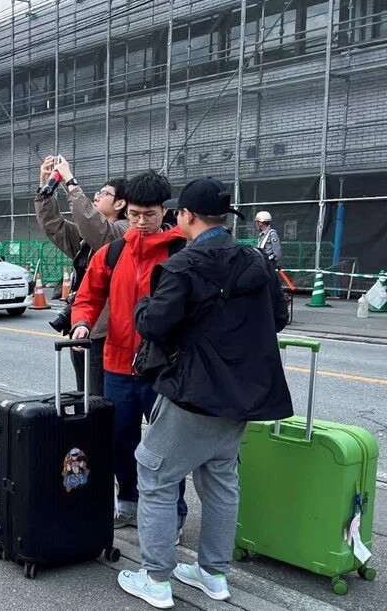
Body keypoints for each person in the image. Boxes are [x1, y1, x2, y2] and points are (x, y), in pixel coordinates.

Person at [117, 177, 292, 608]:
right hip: (242, 397)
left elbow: (154, 324)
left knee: (154, 475)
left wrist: (142, 305)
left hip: (194, 393)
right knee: (220, 481)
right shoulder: (255, 260)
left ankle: (156, 579)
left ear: (186, 216)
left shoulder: (184, 265)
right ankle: (214, 575)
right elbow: (278, 319)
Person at [69, 170, 189, 533]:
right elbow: (89, 296)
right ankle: (129, 502)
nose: (140, 222)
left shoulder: (181, 249)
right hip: (118, 363)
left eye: (148, 215)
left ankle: (174, 511)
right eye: (133, 214)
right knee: (121, 438)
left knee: (167, 446)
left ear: (164, 211)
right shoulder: (113, 251)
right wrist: (82, 322)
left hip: (165, 366)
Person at [34, 155, 128, 395]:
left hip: (106, 332)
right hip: (83, 326)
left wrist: (72, 183)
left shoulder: (124, 232)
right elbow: (54, 225)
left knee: (99, 399)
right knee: (84, 395)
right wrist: (46, 188)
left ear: (120, 204)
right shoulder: (87, 239)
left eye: (104, 193)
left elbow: (99, 230)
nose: (97, 196)